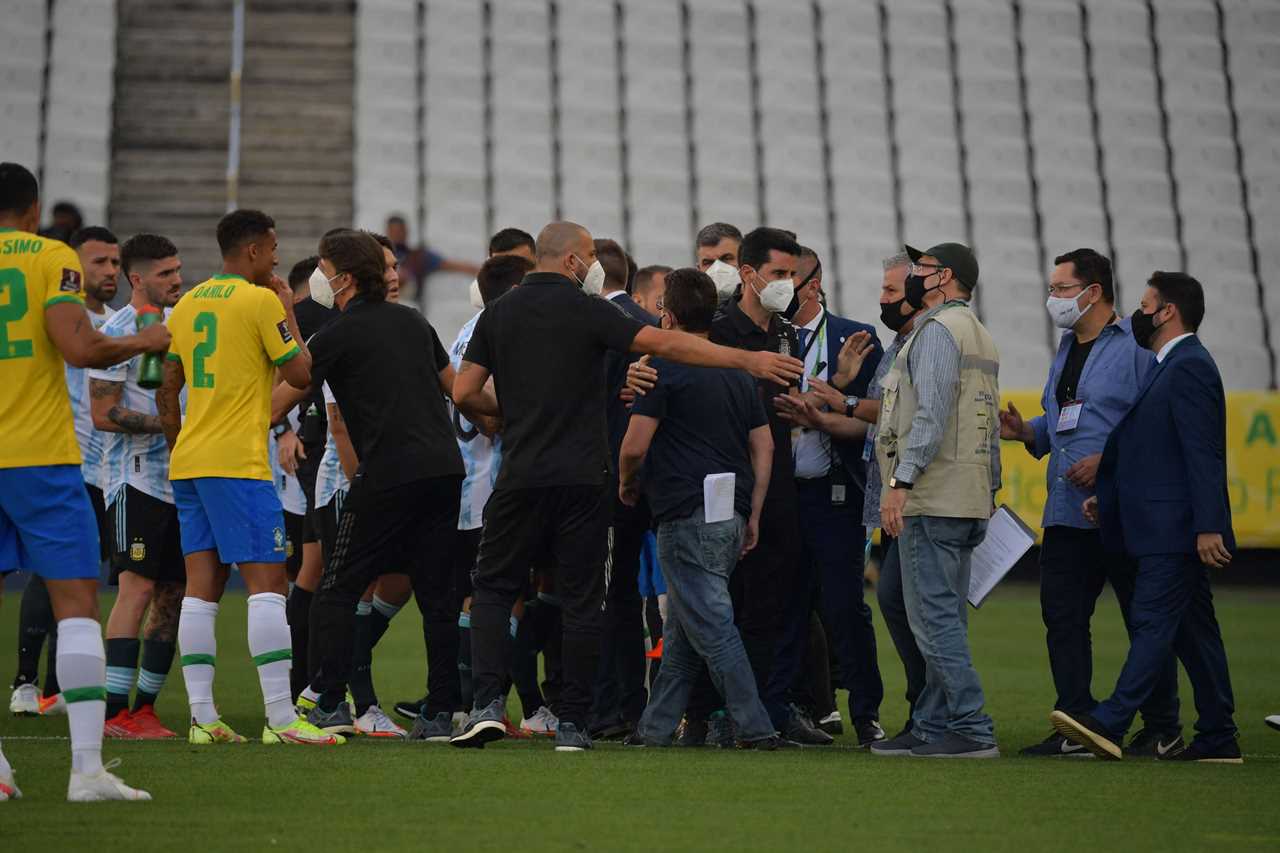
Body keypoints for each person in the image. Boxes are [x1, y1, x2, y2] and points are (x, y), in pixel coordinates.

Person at [450, 221, 802, 752]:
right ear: (571, 261)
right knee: (582, 599)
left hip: (520, 474)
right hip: (585, 477)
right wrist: (746, 359)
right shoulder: (594, 313)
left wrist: (509, 415)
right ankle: (573, 723)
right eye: (588, 255)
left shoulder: (498, 314)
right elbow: (668, 342)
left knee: (495, 588)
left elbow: (465, 391)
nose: (593, 265)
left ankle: (485, 705)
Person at [0, 161, 168, 801]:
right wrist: (146, 338)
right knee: (76, 605)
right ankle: (87, 772)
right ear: (33, 207)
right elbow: (81, 348)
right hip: (38, 454)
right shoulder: (51, 260)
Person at [158, 208, 335, 746]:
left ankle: (202, 718)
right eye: (274, 247)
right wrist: (287, 310)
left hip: (189, 461)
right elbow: (301, 374)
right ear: (254, 250)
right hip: (237, 463)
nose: (279, 257)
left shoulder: (186, 305)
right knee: (267, 587)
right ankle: (282, 721)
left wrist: (180, 448)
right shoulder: (261, 301)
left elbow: (166, 390)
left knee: (200, 589)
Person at [630, 226, 812, 747]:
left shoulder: (663, 368)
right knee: (688, 631)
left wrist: (626, 482)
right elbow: (766, 446)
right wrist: (752, 511)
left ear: (666, 313)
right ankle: (656, 728)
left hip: (683, 509)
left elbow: (635, 445)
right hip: (731, 512)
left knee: (712, 623)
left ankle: (754, 727)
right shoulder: (737, 370)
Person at [1000, 249, 1182, 758]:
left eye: (1061, 288)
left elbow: (1156, 428)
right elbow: (1066, 425)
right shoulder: (1065, 347)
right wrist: (1026, 432)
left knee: (1141, 617)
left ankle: (1162, 725)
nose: (1052, 298)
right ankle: (1076, 724)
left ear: (1093, 291)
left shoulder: (1138, 351)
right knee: (1061, 616)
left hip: (1120, 510)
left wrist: (1108, 461)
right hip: (1064, 509)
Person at [292, 230, 474, 739]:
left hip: (388, 475)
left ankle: (328, 698)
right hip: (444, 470)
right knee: (438, 597)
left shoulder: (335, 335)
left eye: (324, 269)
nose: (319, 279)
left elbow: (288, 389)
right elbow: (456, 388)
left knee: (338, 586)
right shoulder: (414, 321)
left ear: (344, 279)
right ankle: (440, 712)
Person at [1055, 272, 1241, 764]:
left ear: (1168, 312)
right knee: (1194, 634)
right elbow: (1150, 452)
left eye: (1145, 305)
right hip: (1162, 524)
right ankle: (1219, 736)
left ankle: (1110, 720)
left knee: (1153, 622)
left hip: (1174, 529)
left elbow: (1202, 454)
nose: (1138, 314)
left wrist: (1209, 525)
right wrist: (1110, 498)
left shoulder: (1189, 367)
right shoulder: (1168, 365)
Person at [869, 242, 1002, 759]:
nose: (913, 276)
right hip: (966, 493)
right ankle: (929, 725)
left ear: (943, 277)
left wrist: (900, 483)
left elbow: (929, 416)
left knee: (933, 618)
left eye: (921, 269)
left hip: (934, 493)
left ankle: (971, 727)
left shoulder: (938, 332)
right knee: (938, 613)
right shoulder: (979, 334)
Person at [763, 245, 886, 747]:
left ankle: (866, 712)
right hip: (778, 496)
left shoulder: (857, 338)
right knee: (782, 605)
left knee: (842, 606)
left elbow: (877, 415)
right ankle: (785, 709)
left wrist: (834, 404)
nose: (784, 285)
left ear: (814, 283)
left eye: (793, 276)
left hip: (834, 494)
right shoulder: (763, 336)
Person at [8, 224, 119, 717]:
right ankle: (26, 681)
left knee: (76, 575)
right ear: (74, 266)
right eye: (98, 262)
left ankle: (55, 685)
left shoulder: (115, 322)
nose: (109, 271)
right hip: (54, 454)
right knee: (50, 573)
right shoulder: (62, 313)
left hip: (101, 465)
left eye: (115, 263)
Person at [88, 233, 188, 740]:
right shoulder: (117, 332)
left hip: (181, 481)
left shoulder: (184, 324)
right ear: (136, 279)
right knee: (138, 587)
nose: (176, 280)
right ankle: (111, 714)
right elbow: (104, 414)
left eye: (177, 270)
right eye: (166, 273)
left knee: (173, 591)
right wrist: (169, 427)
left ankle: (144, 709)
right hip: (135, 479)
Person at [591, 237, 660, 741]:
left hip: (612, 480)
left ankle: (608, 707)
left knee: (607, 596)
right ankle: (636, 704)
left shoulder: (601, 328)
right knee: (634, 596)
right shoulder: (653, 328)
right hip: (654, 481)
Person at [385, 214, 481, 302]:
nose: (396, 235)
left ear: (406, 231)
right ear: (388, 232)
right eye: (393, 231)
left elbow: (451, 265)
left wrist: (483, 273)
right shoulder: (379, 255)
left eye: (399, 231)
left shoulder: (417, 256)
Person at [695, 222, 743, 303]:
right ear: (699, 270)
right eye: (708, 262)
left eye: (727, 258)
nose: (717, 268)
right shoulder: (688, 315)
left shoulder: (766, 312)